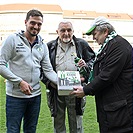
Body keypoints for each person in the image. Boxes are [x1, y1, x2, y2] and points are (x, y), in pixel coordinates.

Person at [71, 16, 133, 133]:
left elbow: (107, 76)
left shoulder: (118, 46)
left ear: (105, 31)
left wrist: (86, 89)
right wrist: (86, 73)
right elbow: (100, 72)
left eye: (95, 33)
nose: (93, 38)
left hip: (120, 112)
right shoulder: (109, 46)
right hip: (111, 109)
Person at [0, 9, 57, 133]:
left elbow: (48, 70)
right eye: (32, 23)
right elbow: (1, 64)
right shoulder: (12, 40)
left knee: (31, 130)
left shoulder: (42, 45)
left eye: (39, 24)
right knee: (13, 130)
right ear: (25, 22)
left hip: (35, 96)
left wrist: (65, 83)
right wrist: (19, 82)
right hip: (15, 96)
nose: (36, 26)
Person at [41, 20, 95, 133]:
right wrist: (50, 83)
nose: (66, 33)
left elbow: (93, 61)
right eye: (63, 30)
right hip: (56, 91)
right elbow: (41, 68)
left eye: (69, 30)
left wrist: (86, 67)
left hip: (77, 91)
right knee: (58, 123)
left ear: (73, 31)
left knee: (76, 124)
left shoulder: (81, 44)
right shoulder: (50, 46)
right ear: (57, 32)